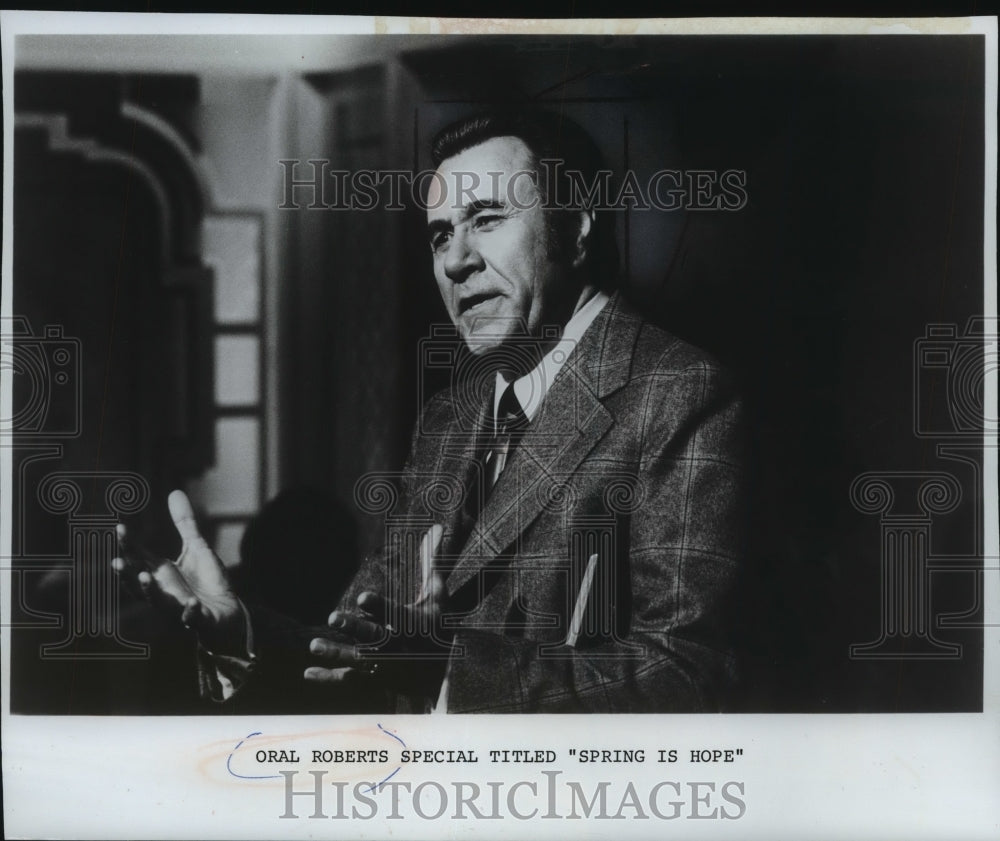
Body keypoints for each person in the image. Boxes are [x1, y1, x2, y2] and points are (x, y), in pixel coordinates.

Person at [114, 110, 746, 713]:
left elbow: (689, 680)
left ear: (577, 229)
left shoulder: (680, 392)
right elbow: (363, 647)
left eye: (488, 219)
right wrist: (241, 630)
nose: (454, 260)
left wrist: (448, 671)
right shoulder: (451, 418)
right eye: (442, 233)